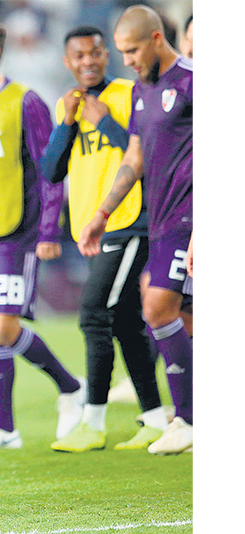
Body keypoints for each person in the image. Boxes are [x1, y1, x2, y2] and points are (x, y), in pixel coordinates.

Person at [0, 15, 86, 453]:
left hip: (17, 234)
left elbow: (50, 172)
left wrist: (49, 229)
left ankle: (69, 387)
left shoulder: (25, 101)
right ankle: (7, 427)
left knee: (1, 325)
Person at [40, 25, 167, 453]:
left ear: (106, 55)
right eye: (79, 56)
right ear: (68, 62)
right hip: (90, 231)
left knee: (94, 314)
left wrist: (104, 121)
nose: (88, 61)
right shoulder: (67, 104)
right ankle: (153, 418)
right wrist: (70, 122)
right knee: (127, 323)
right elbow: (52, 170)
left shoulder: (131, 94)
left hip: (130, 221)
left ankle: (92, 421)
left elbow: (146, 154)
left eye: (95, 53)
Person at [79, 5, 193, 455]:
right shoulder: (145, 90)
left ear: (155, 40)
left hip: (190, 218)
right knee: (179, 316)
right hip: (162, 221)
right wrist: (102, 214)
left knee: (157, 307)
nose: (125, 60)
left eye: (130, 50)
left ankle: (186, 419)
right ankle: (187, 417)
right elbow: (135, 156)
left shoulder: (192, 81)